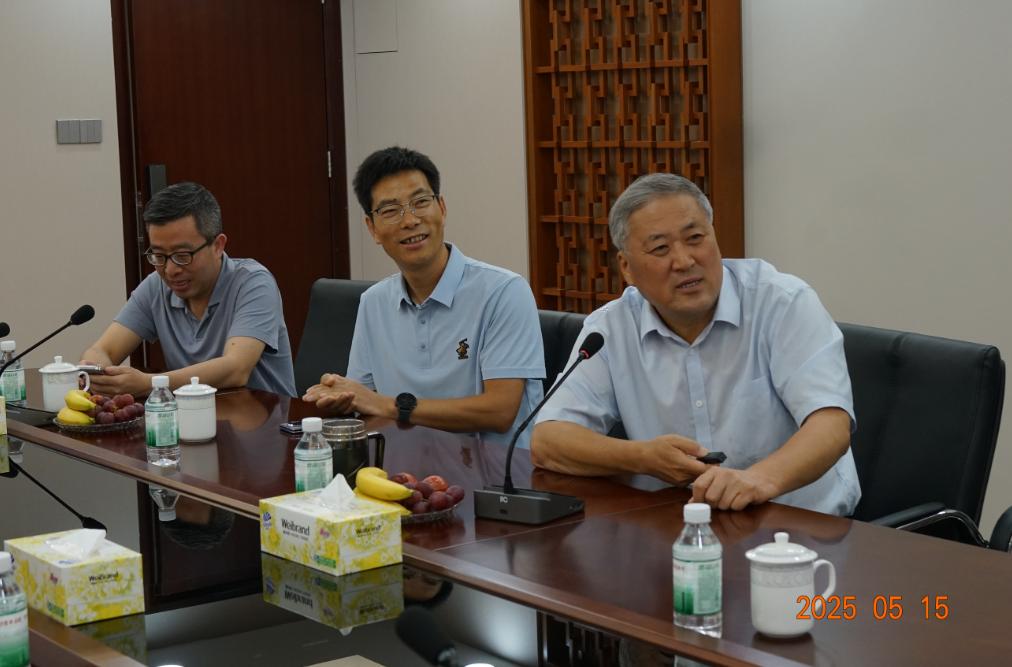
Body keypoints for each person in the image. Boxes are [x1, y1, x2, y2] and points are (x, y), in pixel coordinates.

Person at [531, 173, 860, 515]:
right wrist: (641, 457)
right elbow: (548, 441)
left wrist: (758, 480)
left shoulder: (783, 303)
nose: (685, 261)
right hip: (678, 525)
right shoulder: (611, 328)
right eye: (660, 248)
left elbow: (831, 425)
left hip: (798, 524)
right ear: (626, 267)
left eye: (695, 238)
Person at [303, 146, 545, 448]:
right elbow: (364, 402)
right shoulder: (373, 302)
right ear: (372, 228)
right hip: (406, 467)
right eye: (390, 211)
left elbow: (500, 411)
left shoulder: (504, 292)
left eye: (420, 202)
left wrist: (391, 406)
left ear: (441, 208)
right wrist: (341, 398)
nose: (410, 220)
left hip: (493, 472)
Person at [80, 182, 296, 397]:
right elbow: (103, 350)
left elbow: (236, 369)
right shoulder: (156, 286)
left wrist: (151, 383)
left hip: (265, 416)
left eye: (182, 256)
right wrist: (95, 371)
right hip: (194, 416)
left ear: (218, 246)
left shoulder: (253, 283)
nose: (170, 270)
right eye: (159, 256)